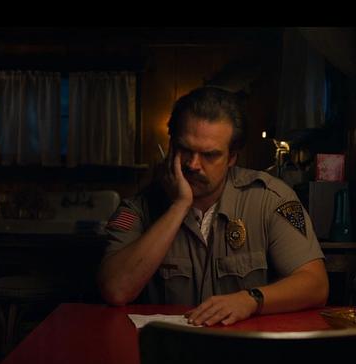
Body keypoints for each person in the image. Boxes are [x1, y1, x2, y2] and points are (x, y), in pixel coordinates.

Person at [97, 86, 328, 326]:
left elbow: (316, 285)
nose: (193, 164)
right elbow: (116, 290)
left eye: (209, 155)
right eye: (184, 150)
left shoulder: (270, 199)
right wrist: (179, 206)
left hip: (244, 344)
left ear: (232, 157)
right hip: (169, 346)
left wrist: (250, 300)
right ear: (171, 146)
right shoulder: (138, 207)